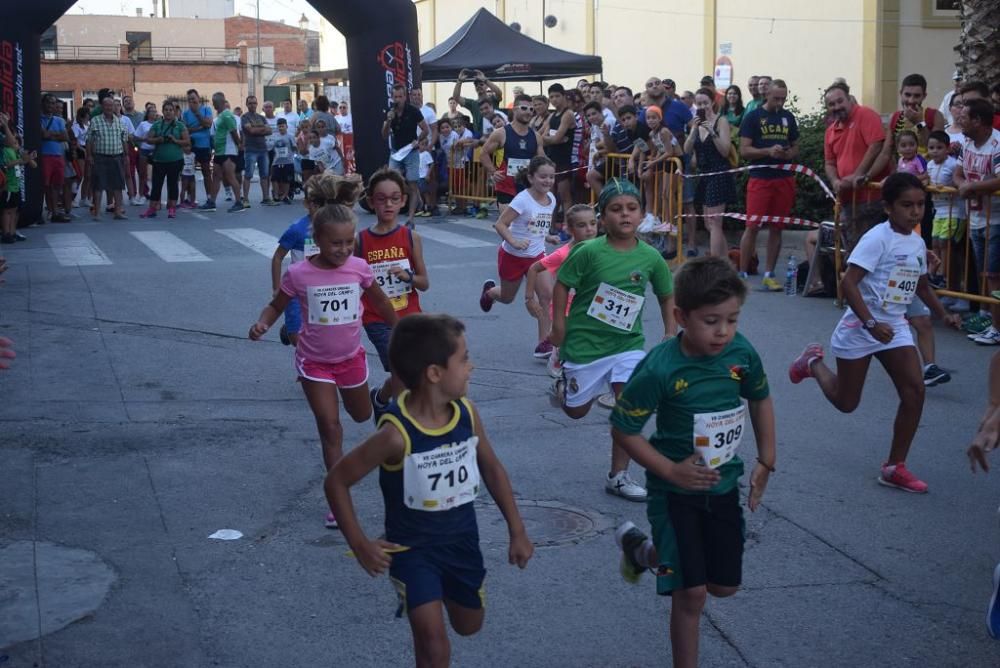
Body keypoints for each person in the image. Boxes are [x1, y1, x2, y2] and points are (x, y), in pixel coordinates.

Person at [325, 313, 532, 668]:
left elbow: (492, 468)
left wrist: (518, 529)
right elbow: (337, 481)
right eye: (464, 359)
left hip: (461, 542)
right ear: (435, 373)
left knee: (468, 625)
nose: (472, 366)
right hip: (410, 549)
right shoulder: (394, 435)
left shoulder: (466, 413)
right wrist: (360, 544)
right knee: (433, 642)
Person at [610, 255, 774, 668]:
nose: (723, 332)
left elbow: (759, 396)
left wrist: (766, 460)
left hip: (721, 486)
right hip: (672, 492)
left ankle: (642, 552)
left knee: (723, 587)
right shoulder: (660, 367)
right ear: (681, 316)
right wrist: (669, 471)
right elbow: (623, 429)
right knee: (691, 594)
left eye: (732, 320)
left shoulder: (741, 353)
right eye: (711, 321)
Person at [789, 172, 962, 493]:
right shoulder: (877, 239)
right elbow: (848, 284)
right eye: (906, 205)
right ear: (888, 208)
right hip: (861, 327)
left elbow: (921, 286)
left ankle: (895, 467)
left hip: (894, 325)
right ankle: (812, 363)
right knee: (846, 402)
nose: (915, 212)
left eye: (920, 205)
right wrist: (870, 323)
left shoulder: (917, 241)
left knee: (914, 391)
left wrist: (944, 314)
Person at [250, 201, 398, 528]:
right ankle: (338, 496)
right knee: (330, 428)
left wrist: (400, 330)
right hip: (314, 362)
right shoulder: (299, 273)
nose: (343, 249)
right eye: (335, 243)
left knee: (360, 415)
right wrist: (263, 324)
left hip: (351, 360)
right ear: (317, 239)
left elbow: (380, 301)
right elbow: (276, 305)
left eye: (349, 242)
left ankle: (374, 400)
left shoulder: (359, 268)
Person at [549, 178, 677, 501]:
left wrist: (670, 332)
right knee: (576, 412)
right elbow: (562, 284)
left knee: (629, 406)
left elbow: (666, 296)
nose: (625, 215)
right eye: (616, 210)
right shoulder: (588, 252)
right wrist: (559, 327)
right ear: (603, 217)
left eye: (632, 209)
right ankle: (563, 388)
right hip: (584, 346)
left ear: (642, 214)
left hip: (627, 346)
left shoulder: (651, 257)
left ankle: (618, 476)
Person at [357, 167, 430, 423]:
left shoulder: (411, 237)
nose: (388, 204)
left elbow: (424, 283)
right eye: (381, 198)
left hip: (410, 317)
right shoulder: (360, 241)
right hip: (378, 319)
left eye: (394, 198)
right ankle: (403, 428)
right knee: (402, 370)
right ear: (371, 202)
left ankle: (380, 397)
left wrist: (407, 276)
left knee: (410, 372)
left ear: (403, 201)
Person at [479, 156, 557, 357]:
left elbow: (536, 226)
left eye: (551, 177)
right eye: (543, 177)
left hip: (537, 256)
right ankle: (489, 293)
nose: (548, 181)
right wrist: (514, 242)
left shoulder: (552, 199)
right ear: (531, 178)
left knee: (546, 296)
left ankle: (544, 343)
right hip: (512, 255)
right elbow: (500, 224)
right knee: (507, 297)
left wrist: (548, 236)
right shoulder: (522, 199)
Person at [270, 173, 359, 347]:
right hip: (298, 289)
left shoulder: (337, 228)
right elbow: (278, 256)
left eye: (322, 204)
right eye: (314, 203)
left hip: (326, 290)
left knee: (321, 332)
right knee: (298, 339)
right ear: (306, 204)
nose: (318, 208)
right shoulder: (297, 229)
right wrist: (276, 288)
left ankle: (291, 329)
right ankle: (292, 330)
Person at [738, 79, 800, 289]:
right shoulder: (753, 117)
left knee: (777, 227)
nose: (780, 103)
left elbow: (795, 147)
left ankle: (769, 273)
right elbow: (744, 150)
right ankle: (742, 272)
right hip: (760, 178)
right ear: (767, 95)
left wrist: (788, 153)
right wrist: (767, 151)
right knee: (752, 226)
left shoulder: (788, 117)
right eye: (776, 98)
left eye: (783, 99)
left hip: (784, 178)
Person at [524, 204, 598, 377]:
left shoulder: (600, 248)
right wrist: (529, 298)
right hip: (565, 308)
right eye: (582, 225)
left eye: (593, 223)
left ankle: (565, 359)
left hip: (589, 304)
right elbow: (534, 268)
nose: (589, 229)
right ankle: (558, 355)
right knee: (573, 342)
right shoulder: (563, 254)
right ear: (570, 229)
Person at [954, 98, 1000, 345]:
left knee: (994, 275)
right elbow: (957, 173)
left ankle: (997, 327)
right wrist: (963, 186)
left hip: (996, 219)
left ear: (978, 121)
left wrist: (974, 187)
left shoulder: (997, 144)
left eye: (965, 117)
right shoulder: (967, 143)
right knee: (986, 273)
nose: (960, 120)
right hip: (976, 220)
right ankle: (992, 322)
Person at [823, 82, 890, 250]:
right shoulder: (830, 131)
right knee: (850, 249)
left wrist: (858, 174)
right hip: (847, 200)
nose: (837, 106)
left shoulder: (865, 114)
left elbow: (876, 145)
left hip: (871, 199)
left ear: (849, 99)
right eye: (832, 104)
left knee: (867, 250)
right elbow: (829, 163)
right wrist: (835, 181)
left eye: (840, 101)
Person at [685, 88, 735, 259]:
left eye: (705, 103)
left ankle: (715, 264)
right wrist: (693, 130)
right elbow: (687, 150)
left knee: (714, 222)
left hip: (719, 172)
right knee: (708, 223)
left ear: (713, 102)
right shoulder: (696, 124)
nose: (702, 107)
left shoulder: (721, 121)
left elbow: (725, 151)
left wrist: (712, 133)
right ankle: (725, 261)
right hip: (704, 174)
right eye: (699, 104)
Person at [481, 94, 544, 210]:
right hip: (506, 187)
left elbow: (542, 161)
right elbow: (484, 153)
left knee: (527, 226)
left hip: (528, 187)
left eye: (531, 109)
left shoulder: (536, 136)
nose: (528, 112)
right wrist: (493, 172)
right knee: (508, 225)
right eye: (524, 108)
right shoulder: (501, 133)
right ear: (514, 110)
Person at [382, 84, 430, 229]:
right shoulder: (390, 112)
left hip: (411, 150)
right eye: (395, 97)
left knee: (413, 182)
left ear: (405, 97)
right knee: (392, 182)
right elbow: (384, 135)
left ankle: (410, 218)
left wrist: (418, 140)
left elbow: (426, 130)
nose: (398, 99)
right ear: (392, 97)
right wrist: (389, 121)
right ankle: (415, 199)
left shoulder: (413, 111)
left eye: (400, 96)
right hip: (396, 152)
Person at [926, 130, 965, 297]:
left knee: (945, 243)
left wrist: (950, 188)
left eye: (939, 147)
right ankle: (932, 273)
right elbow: (926, 179)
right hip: (938, 209)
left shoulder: (953, 164)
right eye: (931, 147)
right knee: (935, 241)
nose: (935, 151)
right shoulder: (929, 165)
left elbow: (959, 183)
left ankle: (943, 275)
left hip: (953, 210)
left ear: (948, 149)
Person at [630, 106, 681, 223]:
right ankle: (666, 221)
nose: (651, 120)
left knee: (669, 194)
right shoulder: (652, 133)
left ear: (660, 118)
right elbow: (658, 149)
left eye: (654, 117)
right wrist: (652, 160)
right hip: (667, 161)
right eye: (648, 118)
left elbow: (669, 152)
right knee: (664, 194)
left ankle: (671, 223)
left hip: (676, 161)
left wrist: (653, 162)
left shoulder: (664, 131)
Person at [141, 100, 190, 219]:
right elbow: (148, 139)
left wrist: (175, 140)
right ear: (162, 111)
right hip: (159, 160)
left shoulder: (180, 125)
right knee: (156, 185)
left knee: (172, 184)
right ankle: (152, 208)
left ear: (174, 112)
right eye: (166, 110)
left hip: (175, 160)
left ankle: (172, 208)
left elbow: (187, 141)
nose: (168, 112)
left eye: (171, 110)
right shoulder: (157, 124)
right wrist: (158, 140)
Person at [85, 95, 129, 221]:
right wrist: (89, 156)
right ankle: (97, 213)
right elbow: (89, 140)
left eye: (112, 105)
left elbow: (124, 140)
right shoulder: (95, 121)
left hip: (117, 157)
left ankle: (118, 212)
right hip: (100, 157)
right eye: (107, 105)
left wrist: (126, 156)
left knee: (118, 186)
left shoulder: (119, 121)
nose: (109, 108)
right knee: (98, 186)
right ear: (102, 107)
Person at [202, 92, 243, 214]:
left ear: (220, 101)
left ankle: (238, 202)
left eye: (214, 102)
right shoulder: (220, 116)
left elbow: (234, 132)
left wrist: (239, 146)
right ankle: (212, 202)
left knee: (230, 176)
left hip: (228, 151)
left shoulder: (227, 115)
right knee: (216, 176)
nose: (213, 104)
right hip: (219, 151)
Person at [542, 84, 576, 217]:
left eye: (557, 96)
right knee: (551, 196)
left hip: (564, 159)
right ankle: (551, 226)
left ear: (564, 96)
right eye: (551, 97)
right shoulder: (552, 115)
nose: (554, 99)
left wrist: (553, 139)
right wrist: (554, 139)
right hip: (551, 159)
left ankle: (568, 227)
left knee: (565, 196)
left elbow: (555, 138)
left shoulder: (568, 114)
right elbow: (543, 137)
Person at [239, 95, 274, 207]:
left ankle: (266, 198)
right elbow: (250, 130)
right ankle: (245, 199)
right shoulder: (244, 117)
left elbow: (269, 131)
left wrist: (256, 129)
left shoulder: (261, 117)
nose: (252, 105)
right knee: (248, 175)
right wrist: (261, 129)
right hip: (250, 149)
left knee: (265, 175)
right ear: (247, 104)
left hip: (263, 149)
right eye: (250, 103)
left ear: (257, 104)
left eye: (254, 103)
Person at [40, 94, 70, 223]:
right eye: (48, 103)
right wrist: (56, 135)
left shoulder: (59, 120)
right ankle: (48, 211)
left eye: (53, 103)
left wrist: (50, 135)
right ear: (43, 104)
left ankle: (55, 212)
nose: (51, 106)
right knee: (45, 185)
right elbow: (43, 134)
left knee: (57, 184)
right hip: (45, 155)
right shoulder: (38, 119)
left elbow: (65, 137)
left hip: (58, 155)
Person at [1, 138, 37, 244]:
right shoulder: (5, 151)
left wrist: (29, 158)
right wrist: (21, 160)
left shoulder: (16, 152)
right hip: (8, 186)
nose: (17, 145)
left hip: (16, 186)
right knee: (7, 211)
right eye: (15, 143)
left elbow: (34, 165)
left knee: (14, 210)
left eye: (17, 143)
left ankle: (12, 232)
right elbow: (6, 165)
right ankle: (6, 233)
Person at [182, 89, 214, 200]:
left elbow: (209, 124)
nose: (192, 101)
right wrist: (200, 127)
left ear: (198, 98)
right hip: (190, 146)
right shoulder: (185, 113)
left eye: (193, 98)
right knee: (189, 173)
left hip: (204, 146)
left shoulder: (206, 109)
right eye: (189, 99)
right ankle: (190, 197)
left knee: (206, 172)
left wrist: (197, 113)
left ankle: (209, 198)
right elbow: (185, 130)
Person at [270, 118, 296, 205]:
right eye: (279, 126)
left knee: (286, 180)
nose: (281, 128)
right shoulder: (274, 136)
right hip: (276, 161)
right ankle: (276, 196)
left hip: (288, 161)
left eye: (282, 126)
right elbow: (271, 148)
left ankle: (285, 195)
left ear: (286, 126)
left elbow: (294, 147)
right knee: (274, 178)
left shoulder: (290, 136)